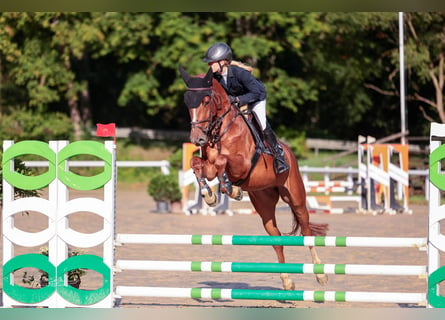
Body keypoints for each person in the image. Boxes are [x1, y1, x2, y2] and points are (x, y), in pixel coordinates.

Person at [203, 42, 289, 174]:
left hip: (256, 98)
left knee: (261, 123)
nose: (209, 65)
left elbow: (256, 92)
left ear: (223, 62)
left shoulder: (240, 73)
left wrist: (238, 100)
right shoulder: (216, 77)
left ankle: (279, 156)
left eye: (212, 62)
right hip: (236, 102)